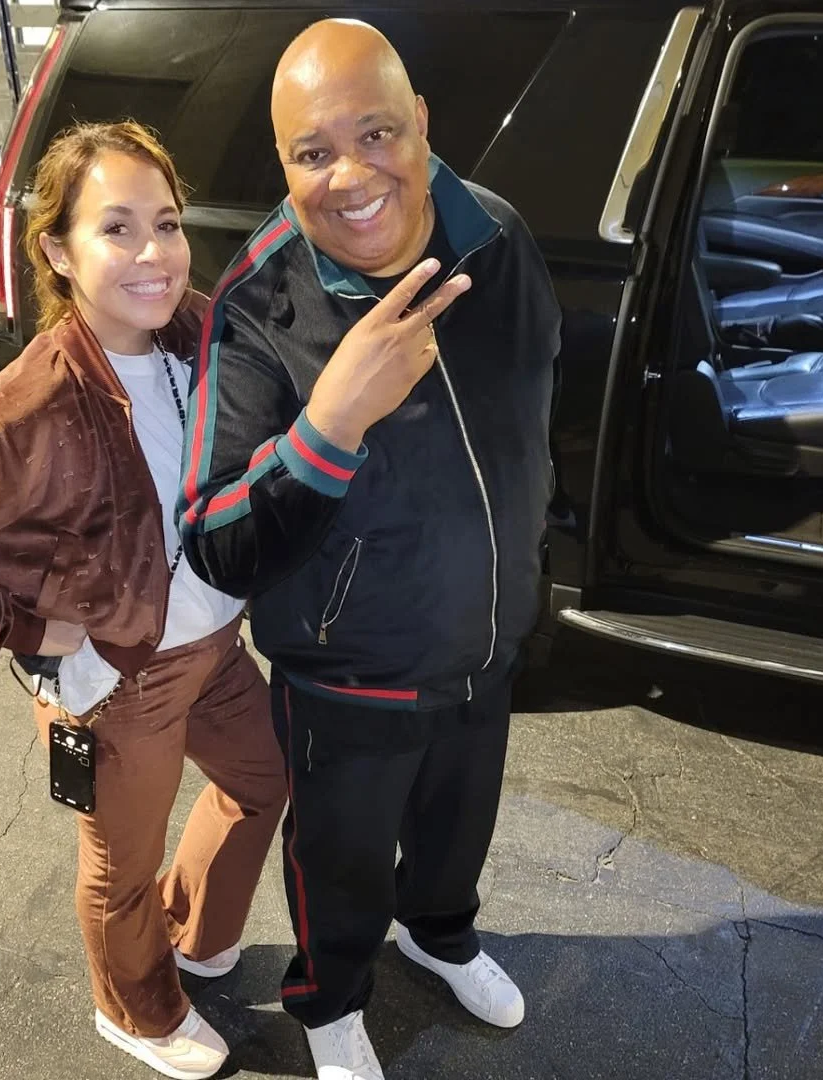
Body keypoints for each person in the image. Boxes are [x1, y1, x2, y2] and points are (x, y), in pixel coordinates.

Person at [0, 121, 286, 1080]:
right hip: (121, 677)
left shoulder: (196, 329)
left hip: (213, 644)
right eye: (116, 229)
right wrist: (22, 627)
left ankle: (192, 931)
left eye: (166, 223)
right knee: (121, 863)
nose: (153, 253)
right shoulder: (33, 400)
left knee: (263, 781)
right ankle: (134, 1007)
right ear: (57, 250)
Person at [177, 20, 561, 1080]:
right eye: (311, 152)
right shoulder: (259, 298)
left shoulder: (499, 240)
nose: (349, 176)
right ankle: (330, 998)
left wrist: (529, 561)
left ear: (422, 125)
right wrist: (327, 427)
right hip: (347, 680)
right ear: (286, 162)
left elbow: (533, 416)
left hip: (485, 648)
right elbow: (213, 539)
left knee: (456, 829)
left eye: (377, 132)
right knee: (339, 862)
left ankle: (439, 936)